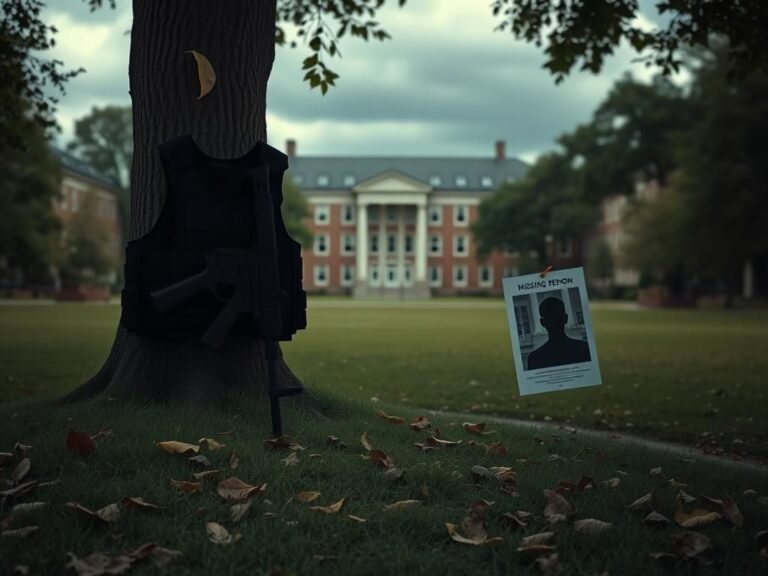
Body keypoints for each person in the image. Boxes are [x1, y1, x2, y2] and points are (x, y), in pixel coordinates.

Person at [526, 296, 591, 370]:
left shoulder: (534, 358)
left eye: (556, 316)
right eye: (550, 317)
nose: (554, 321)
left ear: (542, 323)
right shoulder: (584, 349)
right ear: (566, 318)